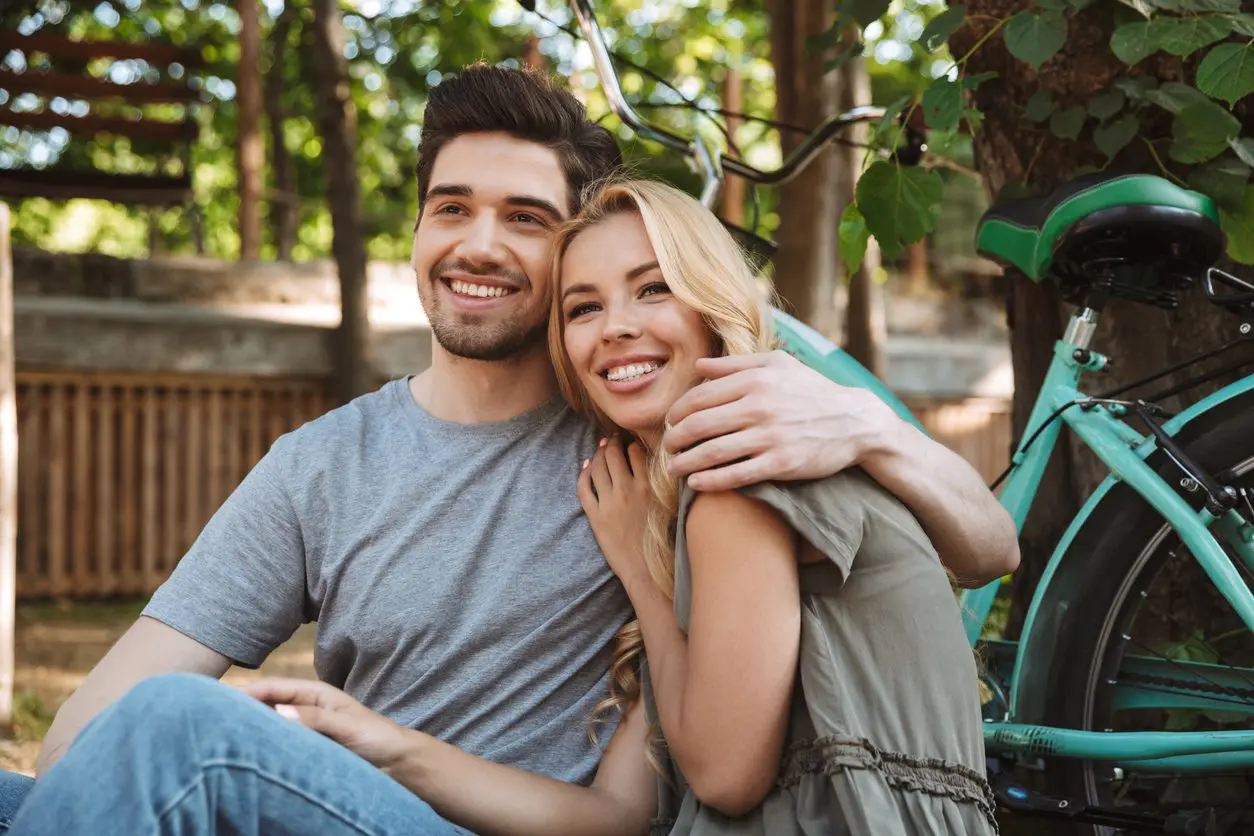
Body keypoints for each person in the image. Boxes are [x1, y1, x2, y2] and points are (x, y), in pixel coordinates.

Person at [0, 63, 1016, 833]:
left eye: (525, 219)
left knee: (184, 726)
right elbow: (80, 736)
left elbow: (983, 544)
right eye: (453, 209)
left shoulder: (664, 444)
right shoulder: (320, 463)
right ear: (419, 231)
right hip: (334, 800)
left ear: (572, 240)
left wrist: (869, 419)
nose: (480, 244)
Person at [550, 178, 999, 834]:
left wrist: (641, 579)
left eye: (654, 287)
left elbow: (726, 775)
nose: (616, 326)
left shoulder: (737, 468)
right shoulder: (750, 453)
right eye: (582, 308)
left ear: (712, 303)